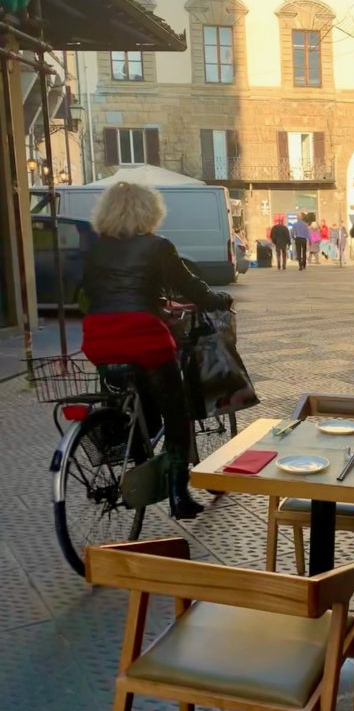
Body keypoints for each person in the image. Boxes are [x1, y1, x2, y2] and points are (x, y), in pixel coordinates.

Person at [81, 181, 232, 520]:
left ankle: (134, 449)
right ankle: (179, 493)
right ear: (150, 212)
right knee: (177, 413)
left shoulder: (95, 249)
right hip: (143, 336)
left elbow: (92, 295)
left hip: (98, 337)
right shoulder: (158, 246)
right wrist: (218, 299)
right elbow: (190, 285)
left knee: (134, 398)